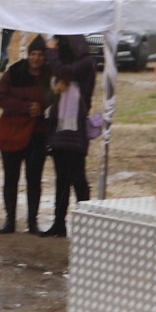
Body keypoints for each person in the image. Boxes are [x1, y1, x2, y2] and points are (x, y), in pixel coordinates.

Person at [0, 37, 54, 236]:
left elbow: (55, 97)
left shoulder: (49, 75)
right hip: (12, 132)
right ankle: (10, 220)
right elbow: (0, 97)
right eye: (33, 54)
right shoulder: (14, 72)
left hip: (37, 135)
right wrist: (26, 108)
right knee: (11, 178)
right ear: (28, 55)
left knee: (34, 179)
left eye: (40, 55)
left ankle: (32, 222)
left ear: (45, 57)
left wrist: (43, 106)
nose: (36, 58)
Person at [45, 34, 99, 237]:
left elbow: (62, 71)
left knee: (78, 178)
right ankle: (59, 223)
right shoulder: (72, 63)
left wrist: (51, 51)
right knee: (61, 178)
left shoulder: (84, 63)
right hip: (60, 128)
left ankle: (86, 226)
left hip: (75, 129)